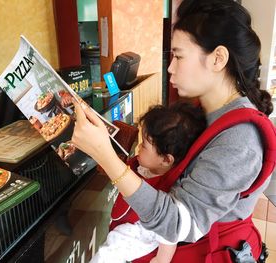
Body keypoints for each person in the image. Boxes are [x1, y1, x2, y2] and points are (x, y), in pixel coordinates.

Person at [71, 0, 274, 261]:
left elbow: (177, 224)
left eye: (178, 56)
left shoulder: (240, 140)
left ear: (218, 58)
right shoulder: (205, 112)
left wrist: (106, 157)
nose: (170, 68)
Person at [90, 102, 206, 263]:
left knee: (105, 256)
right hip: (125, 225)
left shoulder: (168, 189)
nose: (138, 147)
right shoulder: (146, 166)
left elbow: (169, 232)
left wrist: (161, 260)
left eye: (144, 145)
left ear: (166, 159)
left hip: (137, 237)